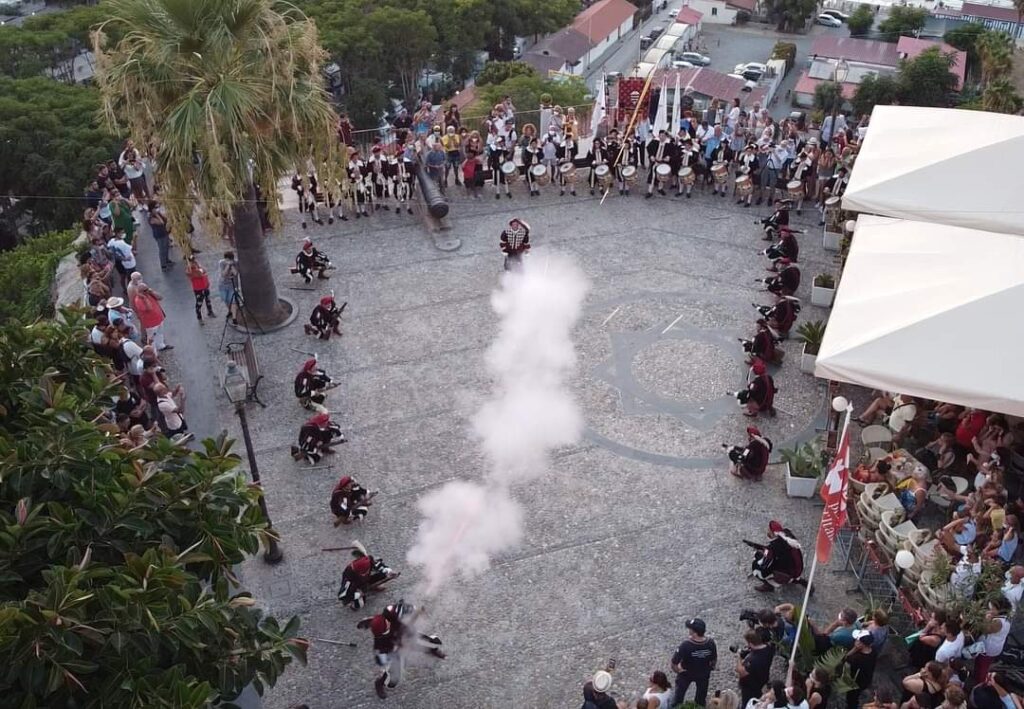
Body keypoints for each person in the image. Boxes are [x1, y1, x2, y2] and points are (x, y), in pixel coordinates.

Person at [357, 600, 445, 699]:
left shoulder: (389, 612)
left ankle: (432, 650)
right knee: (393, 682)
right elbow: (382, 660)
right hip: (394, 647)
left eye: (387, 624)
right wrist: (396, 650)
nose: (388, 626)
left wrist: (416, 610)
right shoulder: (380, 643)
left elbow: (404, 608)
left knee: (426, 641)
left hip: (404, 631)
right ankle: (379, 683)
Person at [336, 541, 399, 610]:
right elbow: (341, 595)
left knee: (383, 574)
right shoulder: (349, 576)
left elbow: (379, 565)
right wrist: (358, 594)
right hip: (356, 587)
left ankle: (371, 586)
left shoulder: (369, 560)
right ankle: (353, 604)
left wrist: (389, 571)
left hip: (365, 580)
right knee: (359, 604)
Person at [746, 520, 805, 592]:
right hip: (797, 568)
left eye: (769, 530)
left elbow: (766, 564)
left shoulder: (773, 547)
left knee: (756, 566)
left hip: (787, 573)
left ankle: (768, 586)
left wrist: (758, 555)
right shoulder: (787, 534)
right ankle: (799, 580)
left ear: (772, 532)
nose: (767, 531)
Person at [672, 617, 716, 706]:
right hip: (703, 674)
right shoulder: (711, 643)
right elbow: (713, 660)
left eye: (690, 628)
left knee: (678, 697)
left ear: (694, 632)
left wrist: (678, 670)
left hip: (686, 673)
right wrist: (709, 668)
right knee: (701, 698)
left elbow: (674, 663)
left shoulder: (685, 645)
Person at [736, 628, 774, 708]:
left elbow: (741, 672)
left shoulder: (753, 660)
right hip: (762, 679)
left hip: (750, 685)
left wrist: (738, 657)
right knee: (757, 696)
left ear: (750, 643)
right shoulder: (768, 648)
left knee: (748, 703)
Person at [132, 282, 172, 351]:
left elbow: (160, 297)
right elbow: (149, 308)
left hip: (159, 318)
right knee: (151, 339)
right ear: (140, 292)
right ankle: (153, 352)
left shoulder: (150, 293)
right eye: (145, 290)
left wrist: (152, 292)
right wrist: (144, 298)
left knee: (160, 333)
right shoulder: (138, 300)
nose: (147, 290)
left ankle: (161, 346)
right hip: (151, 323)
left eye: (147, 288)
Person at [843, 631, 877, 709]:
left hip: (855, 683)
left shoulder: (856, 658)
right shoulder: (874, 650)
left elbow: (845, 658)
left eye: (857, 640)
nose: (855, 641)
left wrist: (854, 648)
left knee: (852, 698)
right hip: (867, 679)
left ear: (862, 644)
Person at [184, 255, 216, 323]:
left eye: (194, 260)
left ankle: (210, 311)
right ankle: (199, 317)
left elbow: (203, 271)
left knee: (208, 300)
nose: (194, 261)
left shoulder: (198, 266)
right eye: (192, 261)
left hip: (205, 286)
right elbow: (198, 274)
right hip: (198, 289)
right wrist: (192, 269)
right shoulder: (190, 269)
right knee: (199, 303)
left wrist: (199, 267)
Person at [147, 202, 173, 270]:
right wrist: (156, 214)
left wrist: (159, 213)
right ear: (152, 209)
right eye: (156, 207)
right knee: (162, 250)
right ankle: (163, 265)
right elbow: (161, 222)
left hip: (164, 232)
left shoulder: (158, 213)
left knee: (166, 247)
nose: (157, 209)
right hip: (159, 235)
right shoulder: (151, 217)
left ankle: (167, 260)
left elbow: (165, 218)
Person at [217, 251, 240, 325]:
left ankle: (234, 318)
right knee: (225, 299)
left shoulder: (235, 263)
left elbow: (235, 273)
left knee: (232, 300)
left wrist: (232, 265)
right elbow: (223, 274)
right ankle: (230, 311)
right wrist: (227, 266)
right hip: (223, 285)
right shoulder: (221, 263)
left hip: (231, 286)